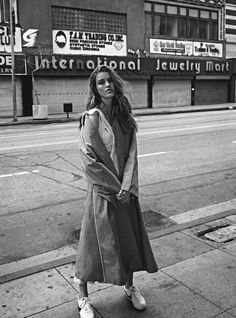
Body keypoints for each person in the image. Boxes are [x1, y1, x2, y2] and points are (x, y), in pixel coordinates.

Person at [74, 65, 158, 318]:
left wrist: (127, 187)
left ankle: (129, 287)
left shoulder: (124, 114)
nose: (106, 85)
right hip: (101, 193)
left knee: (128, 240)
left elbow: (132, 153)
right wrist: (114, 188)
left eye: (109, 81)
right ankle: (82, 297)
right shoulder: (91, 118)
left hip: (124, 193)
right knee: (91, 245)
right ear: (95, 88)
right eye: (101, 82)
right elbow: (88, 160)